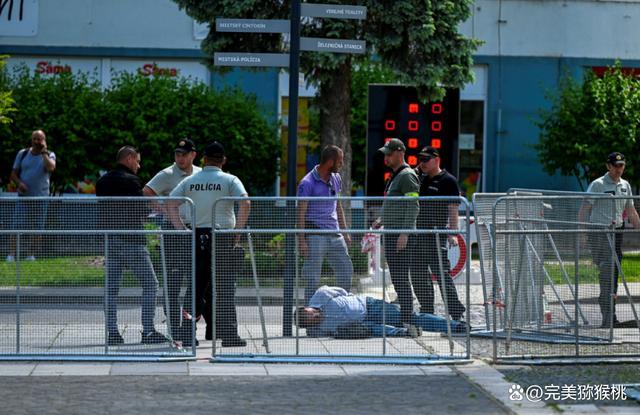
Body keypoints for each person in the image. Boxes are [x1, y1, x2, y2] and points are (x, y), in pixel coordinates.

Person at [168, 141, 250, 347]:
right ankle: (229, 335)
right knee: (224, 287)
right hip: (222, 236)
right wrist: (237, 232)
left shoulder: (191, 180)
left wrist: (180, 229)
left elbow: (170, 202)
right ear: (223, 160)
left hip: (197, 235)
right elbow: (245, 202)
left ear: (203, 159)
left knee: (196, 287)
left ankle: (187, 334)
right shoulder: (230, 179)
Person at [96, 146, 169, 346]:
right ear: (128, 159)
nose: (139, 165)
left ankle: (113, 334)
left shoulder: (102, 182)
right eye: (137, 161)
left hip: (110, 240)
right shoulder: (131, 181)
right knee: (151, 284)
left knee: (111, 289)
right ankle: (148, 331)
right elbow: (140, 210)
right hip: (132, 240)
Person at [143, 138, 201, 346]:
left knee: (195, 280)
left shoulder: (200, 173)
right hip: (172, 230)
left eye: (184, 154)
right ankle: (175, 328)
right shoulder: (168, 174)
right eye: (177, 154)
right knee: (173, 281)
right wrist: (161, 208)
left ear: (193, 155)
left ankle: (189, 328)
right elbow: (147, 190)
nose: (180, 158)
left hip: (194, 229)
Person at [578, 152, 640, 328]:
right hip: (600, 231)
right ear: (608, 166)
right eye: (615, 165)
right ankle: (608, 317)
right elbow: (584, 208)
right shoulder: (598, 184)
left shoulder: (625, 185)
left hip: (616, 230)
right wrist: (582, 233)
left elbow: (631, 211)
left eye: (621, 165)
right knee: (608, 271)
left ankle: (610, 316)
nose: (619, 169)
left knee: (614, 272)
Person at [410, 146, 466, 321]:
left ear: (437, 160)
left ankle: (456, 313)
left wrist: (453, 233)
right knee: (418, 275)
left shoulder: (448, 180)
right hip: (419, 234)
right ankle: (427, 311)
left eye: (426, 160)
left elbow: (453, 208)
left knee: (442, 274)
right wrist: (416, 171)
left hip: (436, 234)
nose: (423, 163)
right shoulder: (421, 178)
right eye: (421, 160)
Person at [297, 145, 353, 304]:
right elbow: (300, 213)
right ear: (330, 162)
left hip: (335, 234)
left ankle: (343, 308)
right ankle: (311, 317)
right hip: (315, 235)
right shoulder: (307, 183)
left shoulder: (336, 178)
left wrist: (345, 231)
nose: (341, 164)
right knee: (313, 278)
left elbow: (338, 205)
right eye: (340, 161)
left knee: (346, 270)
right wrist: (302, 241)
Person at [372, 138, 420, 327]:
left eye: (389, 154)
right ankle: (405, 318)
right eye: (385, 154)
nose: (387, 158)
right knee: (397, 277)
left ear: (400, 153)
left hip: (400, 234)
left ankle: (406, 319)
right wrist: (381, 220)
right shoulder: (396, 175)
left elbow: (413, 205)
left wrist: (405, 233)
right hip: (392, 232)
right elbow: (394, 204)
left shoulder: (407, 175)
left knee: (400, 276)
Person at [295, 285, 466, 337]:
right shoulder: (320, 328)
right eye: (310, 320)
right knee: (378, 331)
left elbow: (341, 291)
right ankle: (402, 333)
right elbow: (314, 333)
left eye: (309, 313)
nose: (313, 316)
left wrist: (351, 298)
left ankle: (455, 326)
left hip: (369, 306)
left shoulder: (321, 295)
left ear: (307, 307)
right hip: (362, 323)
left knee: (410, 317)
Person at [7, 130, 56, 262]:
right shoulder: (22, 154)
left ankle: (30, 255)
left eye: (39, 139)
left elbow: (51, 168)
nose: (36, 142)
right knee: (17, 226)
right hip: (23, 197)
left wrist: (44, 152)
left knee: (37, 227)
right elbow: (13, 174)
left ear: (44, 140)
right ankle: (11, 255)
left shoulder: (50, 154)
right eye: (34, 139)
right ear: (31, 139)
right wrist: (19, 183)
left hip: (41, 198)